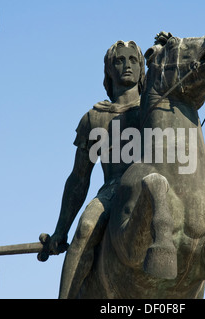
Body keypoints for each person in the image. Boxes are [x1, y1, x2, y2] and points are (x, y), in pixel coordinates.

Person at [47, 40, 145, 299]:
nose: (127, 65)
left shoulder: (152, 109)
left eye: (133, 60)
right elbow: (79, 178)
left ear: (142, 68)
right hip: (113, 190)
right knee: (86, 228)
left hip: (151, 184)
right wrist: (61, 230)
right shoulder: (94, 118)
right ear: (109, 70)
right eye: (119, 60)